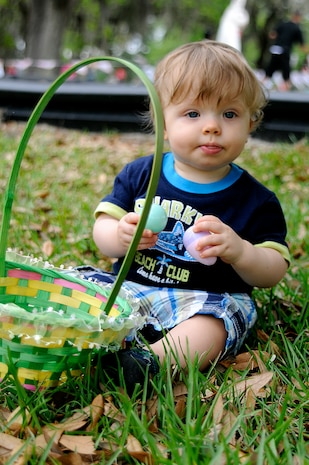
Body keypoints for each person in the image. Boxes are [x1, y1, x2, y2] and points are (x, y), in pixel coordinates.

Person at [84, 40, 290, 397]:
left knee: (216, 323)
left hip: (205, 297)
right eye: (193, 114)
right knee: (81, 288)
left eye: (229, 114)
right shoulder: (141, 174)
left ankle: (150, 362)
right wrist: (119, 235)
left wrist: (241, 252)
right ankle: (75, 344)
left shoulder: (255, 200)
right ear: (164, 121)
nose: (212, 127)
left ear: (251, 122)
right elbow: (101, 230)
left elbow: (273, 270)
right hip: (132, 288)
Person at [264, 11, 305, 91]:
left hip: (276, 49)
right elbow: (301, 46)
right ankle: (285, 89)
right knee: (286, 70)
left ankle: (261, 84)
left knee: (270, 68)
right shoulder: (297, 28)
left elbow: (272, 35)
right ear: (298, 18)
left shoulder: (283, 24)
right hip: (285, 50)